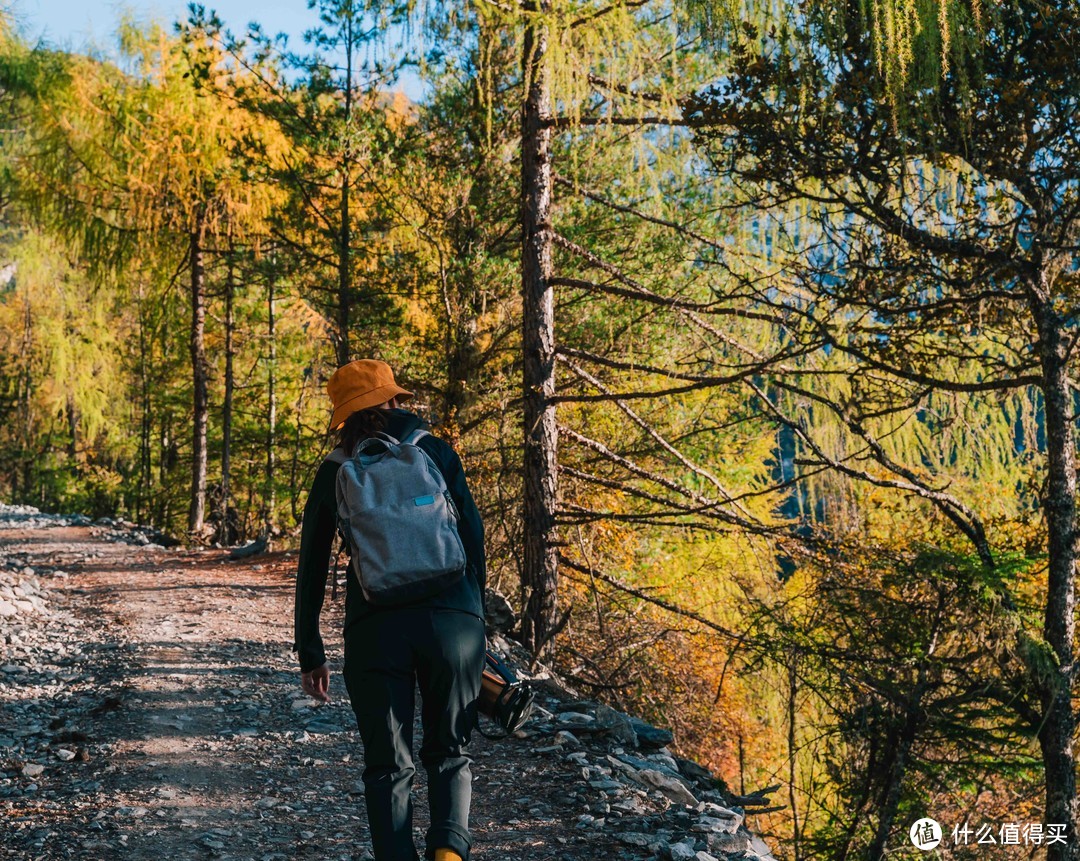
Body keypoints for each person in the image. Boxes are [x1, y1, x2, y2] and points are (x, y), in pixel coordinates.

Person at [294, 359, 487, 861]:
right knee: (449, 752)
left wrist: (310, 650)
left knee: (388, 765)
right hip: (454, 621)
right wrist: (475, 618)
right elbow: (473, 537)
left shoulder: (336, 468)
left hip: (376, 627)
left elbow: (311, 564)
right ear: (392, 401)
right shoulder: (434, 450)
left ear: (344, 415)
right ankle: (449, 852)